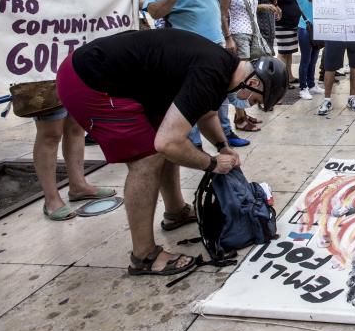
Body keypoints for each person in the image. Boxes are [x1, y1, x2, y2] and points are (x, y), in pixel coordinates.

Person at [55, 28, 287, 276]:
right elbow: (167, 144)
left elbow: (206, 113)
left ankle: (175, 211)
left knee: (173, 135)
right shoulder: (210, 73)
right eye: (255, 100)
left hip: (109, 75)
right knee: (148, 157)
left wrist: (223, 146)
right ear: (253, 82)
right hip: (89, 81)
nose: (250, 104)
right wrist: (211, 163)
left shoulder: (223, 68)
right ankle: (144, 256)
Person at [17, 0, 115, 221]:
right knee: (50, 131)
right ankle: (51, 198)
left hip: (72, 64)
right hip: (39, 66)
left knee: (76, 126)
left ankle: (78, 184)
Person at [145, 0, 249, 148]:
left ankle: (225, 133)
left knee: (220, 96)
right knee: (187, 98)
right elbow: (154, 11)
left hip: (214, 43)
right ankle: (193, 144)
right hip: (184, 50)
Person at [218, 0, 288, 131]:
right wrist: (228, 38)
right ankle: (239, 119)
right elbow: (223, 14)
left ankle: (244, 113)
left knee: (250, 75)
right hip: (238, 34)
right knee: (240, 78)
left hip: (253, 34)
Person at [295, 0, 322, 100]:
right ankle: (303, 87)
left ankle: (312, 84)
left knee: (314, 58)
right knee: (305, 58)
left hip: (317, 28)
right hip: (305, 28)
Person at [272, 0, 301, 88]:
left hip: (292, 24)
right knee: (283, 52)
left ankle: (289, 76)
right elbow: (274, 3)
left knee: (289, 52)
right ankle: (280, 79)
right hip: (282, 24)